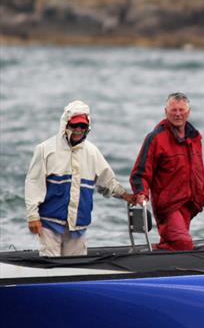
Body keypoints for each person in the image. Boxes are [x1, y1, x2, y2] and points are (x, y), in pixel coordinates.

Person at [25, 100, 134, 257]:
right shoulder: (45, 150)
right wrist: (33, 216)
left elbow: (107, 181)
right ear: (65, 125)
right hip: (49, 224)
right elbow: (33, 184)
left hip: (78, 226)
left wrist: (127, 196)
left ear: (87, 127)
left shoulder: (92, 152)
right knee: (51, 268)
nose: (78, 130)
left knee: (75, 268)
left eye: (82, 126)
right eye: (74, 125)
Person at [130, 92, 204, 251]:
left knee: (177, 243)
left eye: (181, 110)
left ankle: (162, 255)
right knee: (181, 243)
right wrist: (141, 194)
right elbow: (140, 172)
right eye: (173, 110)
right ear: (166, 112)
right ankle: (151, 258)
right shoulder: (156, 138)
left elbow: (200, 178)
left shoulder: (195, 139)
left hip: (190, 205)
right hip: (168, 206)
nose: (178, 114)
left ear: (188, 112)